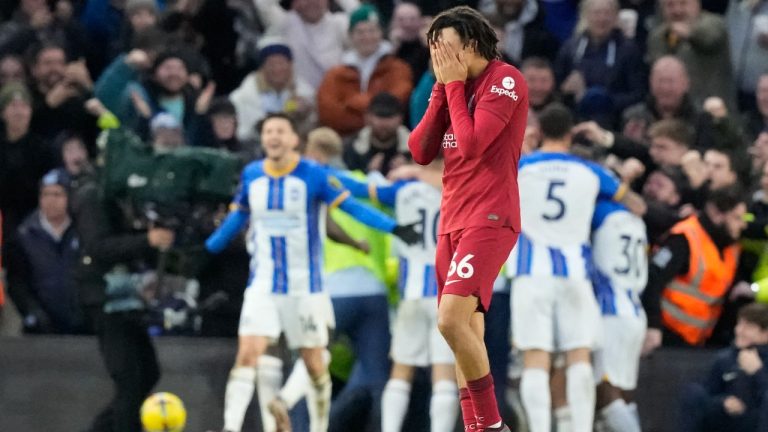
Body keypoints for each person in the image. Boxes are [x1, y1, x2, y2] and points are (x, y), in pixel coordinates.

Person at [204, 113, 419, 432]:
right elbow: (241, 216)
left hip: (312, 287)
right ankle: (240, 425)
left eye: (280, 131)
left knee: (304, 360)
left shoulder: (315, 176)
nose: (274, 137)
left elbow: (343, 212)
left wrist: (392, 227)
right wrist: (209, 245)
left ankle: (302, 419)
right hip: (278, 285)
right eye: (268, 131)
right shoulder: (255, 176)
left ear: (297, 142)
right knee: (259, 353)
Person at [408, 6, 529, 431]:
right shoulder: (450, 86)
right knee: (464, 331)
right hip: (451, 220)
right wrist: (443, 91)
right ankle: (475, 426)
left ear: (473, 45)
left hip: (490, 216)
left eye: (446, 47)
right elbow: (420, 150)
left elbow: (475, 143)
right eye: (433, 48)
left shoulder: (506, 79)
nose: (438, 56)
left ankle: (493, 425)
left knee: (450, 319)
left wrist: (454, 87)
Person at [507, 103, 645, 432]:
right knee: (578, 357)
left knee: (535, 358)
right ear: (571, 134)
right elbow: (637, 205)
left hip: (531, 273)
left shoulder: (520, 166)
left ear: (539, 133)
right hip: (575, 274)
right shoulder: (590, 171)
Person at [377, 159, 460, 432]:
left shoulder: (403, 189)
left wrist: (414, 173)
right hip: (448, 295)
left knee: (401, 369)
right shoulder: (464, 186)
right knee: (444, 372)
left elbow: (362, 190)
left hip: (411, 292)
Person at [642, 186, 747, 352]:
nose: (742, 225)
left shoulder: (730, 248)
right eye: (737, 218)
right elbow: (653, 279)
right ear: (717, 214)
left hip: (697, 341)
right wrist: (653, 325)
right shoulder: (685, 239)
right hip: (666, 336)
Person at [591, 199, 648, 432]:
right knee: (625, 393)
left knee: (604, 391)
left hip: (611, 311)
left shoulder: (602, 213)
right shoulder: (637, 221)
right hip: (634, 310)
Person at [317, 4, 414, 136]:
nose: (367, 37)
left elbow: (395, 104)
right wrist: (373, 116)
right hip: (346, 140)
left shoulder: (398, 68)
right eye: (360, 32)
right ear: (351, 35)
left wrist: (354, 103)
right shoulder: (335, 74)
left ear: (381, 33)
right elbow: (329, 113)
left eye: (372, 30)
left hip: (390, 137)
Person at [5, 169, 82, 334]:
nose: (50, 200)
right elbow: (17, 283)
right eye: (45, 194)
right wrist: (34, 314)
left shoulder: (83, 230)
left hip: (82, 326)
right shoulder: (23, 236)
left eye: (57, 194)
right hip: (42, 330)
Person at [678, 303, 768, 432]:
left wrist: (758, 372)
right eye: (739, 324)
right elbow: (709, 391)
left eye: (749, 327)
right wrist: (723, 402)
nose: (740, 331)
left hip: (756, 421)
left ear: (765, 334)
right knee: (693, 392)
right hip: (727, 421)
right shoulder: (726, 358)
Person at [554, 0, 644, 125]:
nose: (602, 19)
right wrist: (565, 89)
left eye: (607, 13)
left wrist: (601, 100)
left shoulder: (629, 50)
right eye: (596, 13)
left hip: (614, 118)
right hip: (575, 116)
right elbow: (556, 87)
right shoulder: (571, 48)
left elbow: (638, 93)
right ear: (585, 16)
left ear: (616, 17)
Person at [252, 0, 360, 89]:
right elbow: (262, 4)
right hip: (299, 101)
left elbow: (360, 16)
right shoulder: (285, 23)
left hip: (335, 97)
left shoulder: (339, 23)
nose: (312, 2)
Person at [647, 0, 735, 109]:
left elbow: (710, 39)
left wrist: (689, 33)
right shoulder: (658, 36)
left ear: (697, 4)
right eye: (670, 5)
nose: (677, 10)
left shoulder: (714, 24)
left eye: (683, 3)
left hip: (712, 113)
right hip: (674, 114)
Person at [229, 38, 315, 143]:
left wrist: (305, 115)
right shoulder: (243, 97)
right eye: (271, 64)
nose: (277, 69)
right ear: (262, 67)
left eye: (281, 63)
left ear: (290, 65)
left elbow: (312, 128)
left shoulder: (306, 93)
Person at [344, 92, 411, 177]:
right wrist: (367, 172)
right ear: (367, 117)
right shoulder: (352, 147)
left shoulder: (415, 149)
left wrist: (409, 169)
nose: (384, 123)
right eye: (379, 116)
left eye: (389, 117)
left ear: (400, 118)